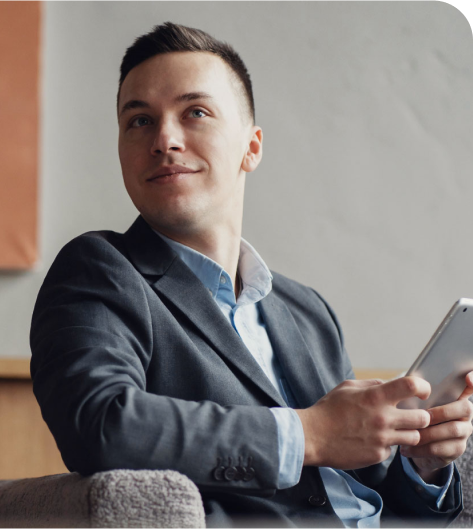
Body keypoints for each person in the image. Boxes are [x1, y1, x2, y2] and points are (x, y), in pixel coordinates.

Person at [30, 22, 472, 527]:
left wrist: (422, 464)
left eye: (194, 112)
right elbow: (101, 424)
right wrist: (309, 434)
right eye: (139, 122)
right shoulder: (98, 269)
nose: (164, 139)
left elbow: (359, 487)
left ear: (251, 147)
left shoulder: (308, 311)